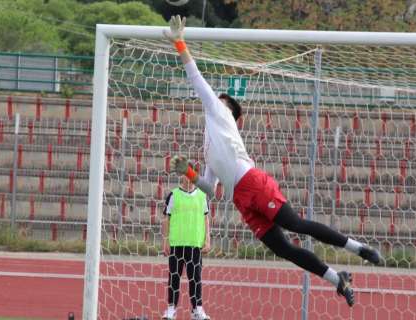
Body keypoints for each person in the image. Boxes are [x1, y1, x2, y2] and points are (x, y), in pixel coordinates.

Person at [163, 15, 382, 307]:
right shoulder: (209, 146)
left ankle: (360, 249)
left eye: (222, 99)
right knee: (283, 249)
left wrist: (180, 43)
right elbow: (211, 190)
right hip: (241, 199)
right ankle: (337, 279)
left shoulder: (220, 113)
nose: (217, 98)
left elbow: (196, 78)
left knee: (297, 224)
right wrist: (190, 173)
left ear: (228, 110)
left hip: (253, 183)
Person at [162, 176, 211, 320]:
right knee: (174, 277)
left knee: (195, 278)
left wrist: (207, 239)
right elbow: (167, 218)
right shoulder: (173, 195)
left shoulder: (202, 196)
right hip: (176, 243)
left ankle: (197, 309)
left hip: (195, 244)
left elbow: (206, 219)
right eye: (185, 174)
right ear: (181, 176)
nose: (188, 178)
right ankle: (171, 309)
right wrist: (165, 241)